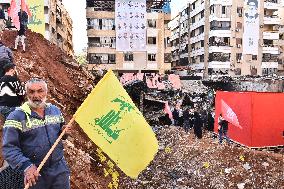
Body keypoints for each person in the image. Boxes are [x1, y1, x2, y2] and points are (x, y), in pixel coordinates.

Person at [2, 78, 71, 189]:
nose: (36, 95)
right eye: (31, 91)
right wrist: (26, 166)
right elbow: (9, 148)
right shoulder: (16, 116)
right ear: (26, 94)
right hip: (34, 174)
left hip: (59, 170)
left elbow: (60, 133)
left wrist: (64, 133)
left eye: (40, 91)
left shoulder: (55, 110)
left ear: (46, 92)